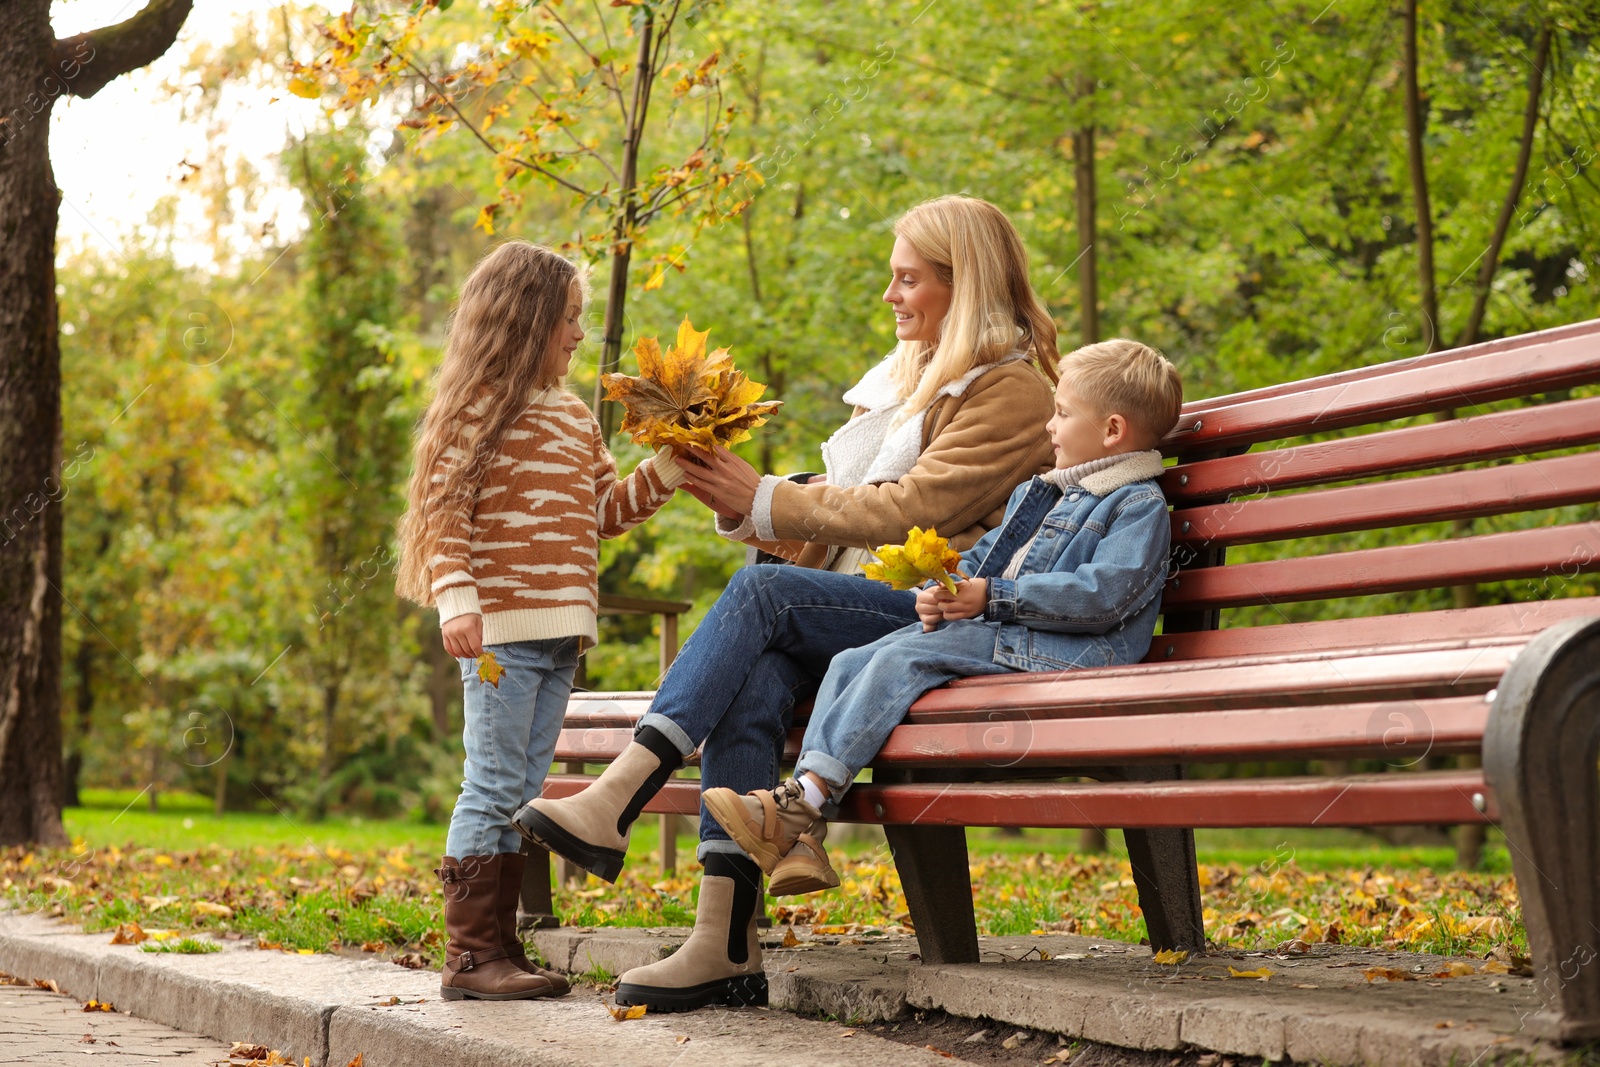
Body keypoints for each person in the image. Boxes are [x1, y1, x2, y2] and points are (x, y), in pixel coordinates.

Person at [512, 195, 1060, 1012]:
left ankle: (620, 792)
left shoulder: (1010, 389)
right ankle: (723, 941)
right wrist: (744, 497)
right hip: (889, 605)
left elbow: (909, 510)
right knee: (756, 670)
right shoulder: (916, 385)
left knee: (764, 593)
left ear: (964, 283)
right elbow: (853, 503)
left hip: (954, 615)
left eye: (908, 279)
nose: (890, 297)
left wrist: (767, 496)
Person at [703, 339, 1183, 894]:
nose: (1050, 425)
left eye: (1062, 413)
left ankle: (803, 801)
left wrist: (993, 598)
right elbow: (983, 561)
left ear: (1113, 431)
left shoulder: (1135, 505)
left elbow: (1102, 597)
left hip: (1072, 651)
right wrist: (943, 589)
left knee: (907, 654)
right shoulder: (1045, 492)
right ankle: (804, 821)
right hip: (1012, 633)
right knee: (856, 657)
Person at [394, 240, 685, 1002]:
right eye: (569, 319)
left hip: (560, 634)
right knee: (490, 782)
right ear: (526, 321)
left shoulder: (574, 415)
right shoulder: (479, 406)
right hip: (500, 632)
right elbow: (443, 509)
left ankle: (499, 946)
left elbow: (606, 513)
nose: (579, 334)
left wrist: (673, 466)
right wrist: (456, 596)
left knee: (523, 783)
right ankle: (468, 957)